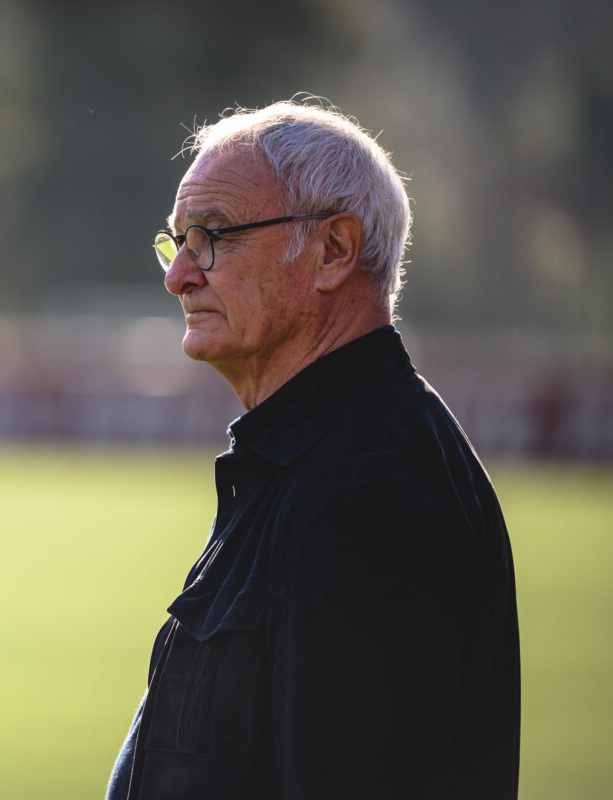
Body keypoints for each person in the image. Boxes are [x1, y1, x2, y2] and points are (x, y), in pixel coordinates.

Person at [106, 100, 520, 800]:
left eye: (212, 236)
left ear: (333, 250)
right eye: (175, 242)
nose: (178, 275)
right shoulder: (309, 459)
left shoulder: (369, 491)